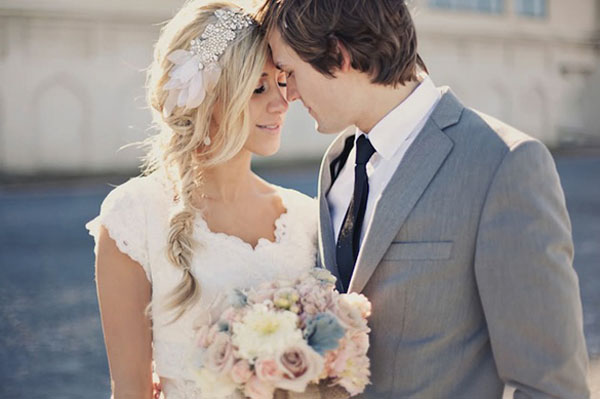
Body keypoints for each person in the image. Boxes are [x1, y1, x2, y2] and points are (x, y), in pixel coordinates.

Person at [258, 0, 591, 397]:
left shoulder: (504, 164)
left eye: (289, 72)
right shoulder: (338, 163)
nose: (288, 93)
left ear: (337, 54)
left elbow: (550, 386)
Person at [86, 1, 320, 398]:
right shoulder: (134, 216)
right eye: (258, 87)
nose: (281, 104)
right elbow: (129, 389)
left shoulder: (306, 217)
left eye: (282, 82)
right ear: (206, 98)